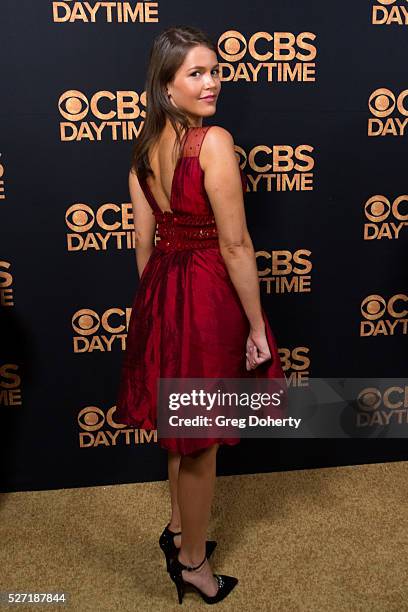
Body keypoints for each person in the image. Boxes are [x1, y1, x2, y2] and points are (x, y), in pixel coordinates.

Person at [115, 25, 286, 604]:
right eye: (196, 73)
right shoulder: (211, 142)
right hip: (209, 294)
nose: (212, 82)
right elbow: (235, 246)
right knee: (201, 439)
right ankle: (192, 562)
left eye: (214, 70)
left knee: (180, 429)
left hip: (163, 290)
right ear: (166, 87)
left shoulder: (142, 153)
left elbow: (144, 248)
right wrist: (258, 326)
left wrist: (159, 313)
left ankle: (176, 527)